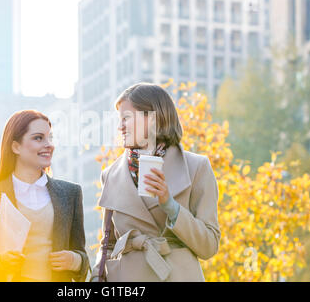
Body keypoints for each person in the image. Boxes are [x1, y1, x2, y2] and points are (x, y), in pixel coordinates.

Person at [91, 83, 220, 281]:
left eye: (126, 118)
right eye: (120, 120)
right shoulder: (110, 175)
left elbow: (209, 246)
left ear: (152, 119)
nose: (120, 127)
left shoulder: (196, 167)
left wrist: (171, 206)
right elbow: (108, 244)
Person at [0, 109, 89, 282]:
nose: (49, 144)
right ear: (15, 146)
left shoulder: (70, 194)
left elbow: (83, 258)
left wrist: (75, 261)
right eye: (38, 138)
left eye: (50, 138)